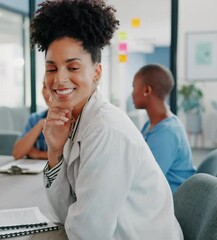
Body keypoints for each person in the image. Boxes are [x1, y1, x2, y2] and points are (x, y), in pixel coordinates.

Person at [31, 1, 183, 239]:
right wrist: (55, 152)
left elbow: (87, 233)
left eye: (72, 68)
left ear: (96, 73)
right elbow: (64, 214)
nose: (59, 80)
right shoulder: (76, 120)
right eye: (51, 69)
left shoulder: (106, 130)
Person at [132, 64, 196, 192]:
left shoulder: (166, 132)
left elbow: (145, 180)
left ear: (147, 90)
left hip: (169, 201)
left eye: (134, 87)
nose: (132, 93)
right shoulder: (152, 124)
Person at [12, 83, 50, 160]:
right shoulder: (35, 119)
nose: (46, 92)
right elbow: (17, 153)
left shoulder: (73, 120)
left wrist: (39, 154)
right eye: (44, 87)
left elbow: (70, 158)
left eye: (51, 87)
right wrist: (40, 124)